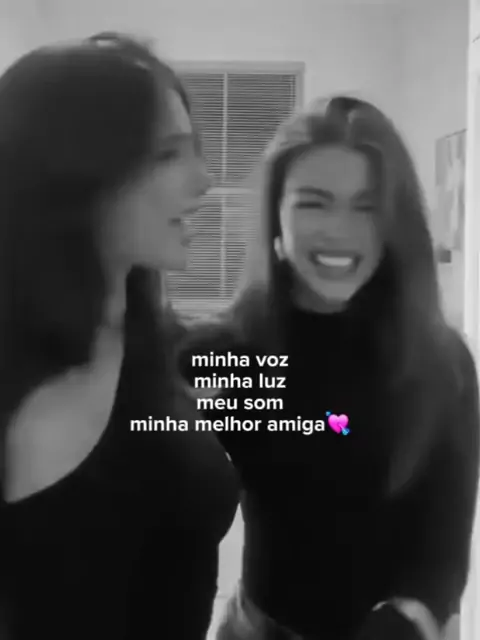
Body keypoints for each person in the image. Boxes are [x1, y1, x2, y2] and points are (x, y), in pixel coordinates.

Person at [180, 96, 480, 640]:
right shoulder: (221, 352)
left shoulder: (442, 362)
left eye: (366, 207)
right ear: (276, 214)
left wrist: (408, 621)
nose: (340, 231)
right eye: (314, 204)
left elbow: (443, 551)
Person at [0, 32, 239, 640]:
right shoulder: (21, 385)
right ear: (74, 174)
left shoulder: (149, 343)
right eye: (168, 154)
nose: (205, 179)